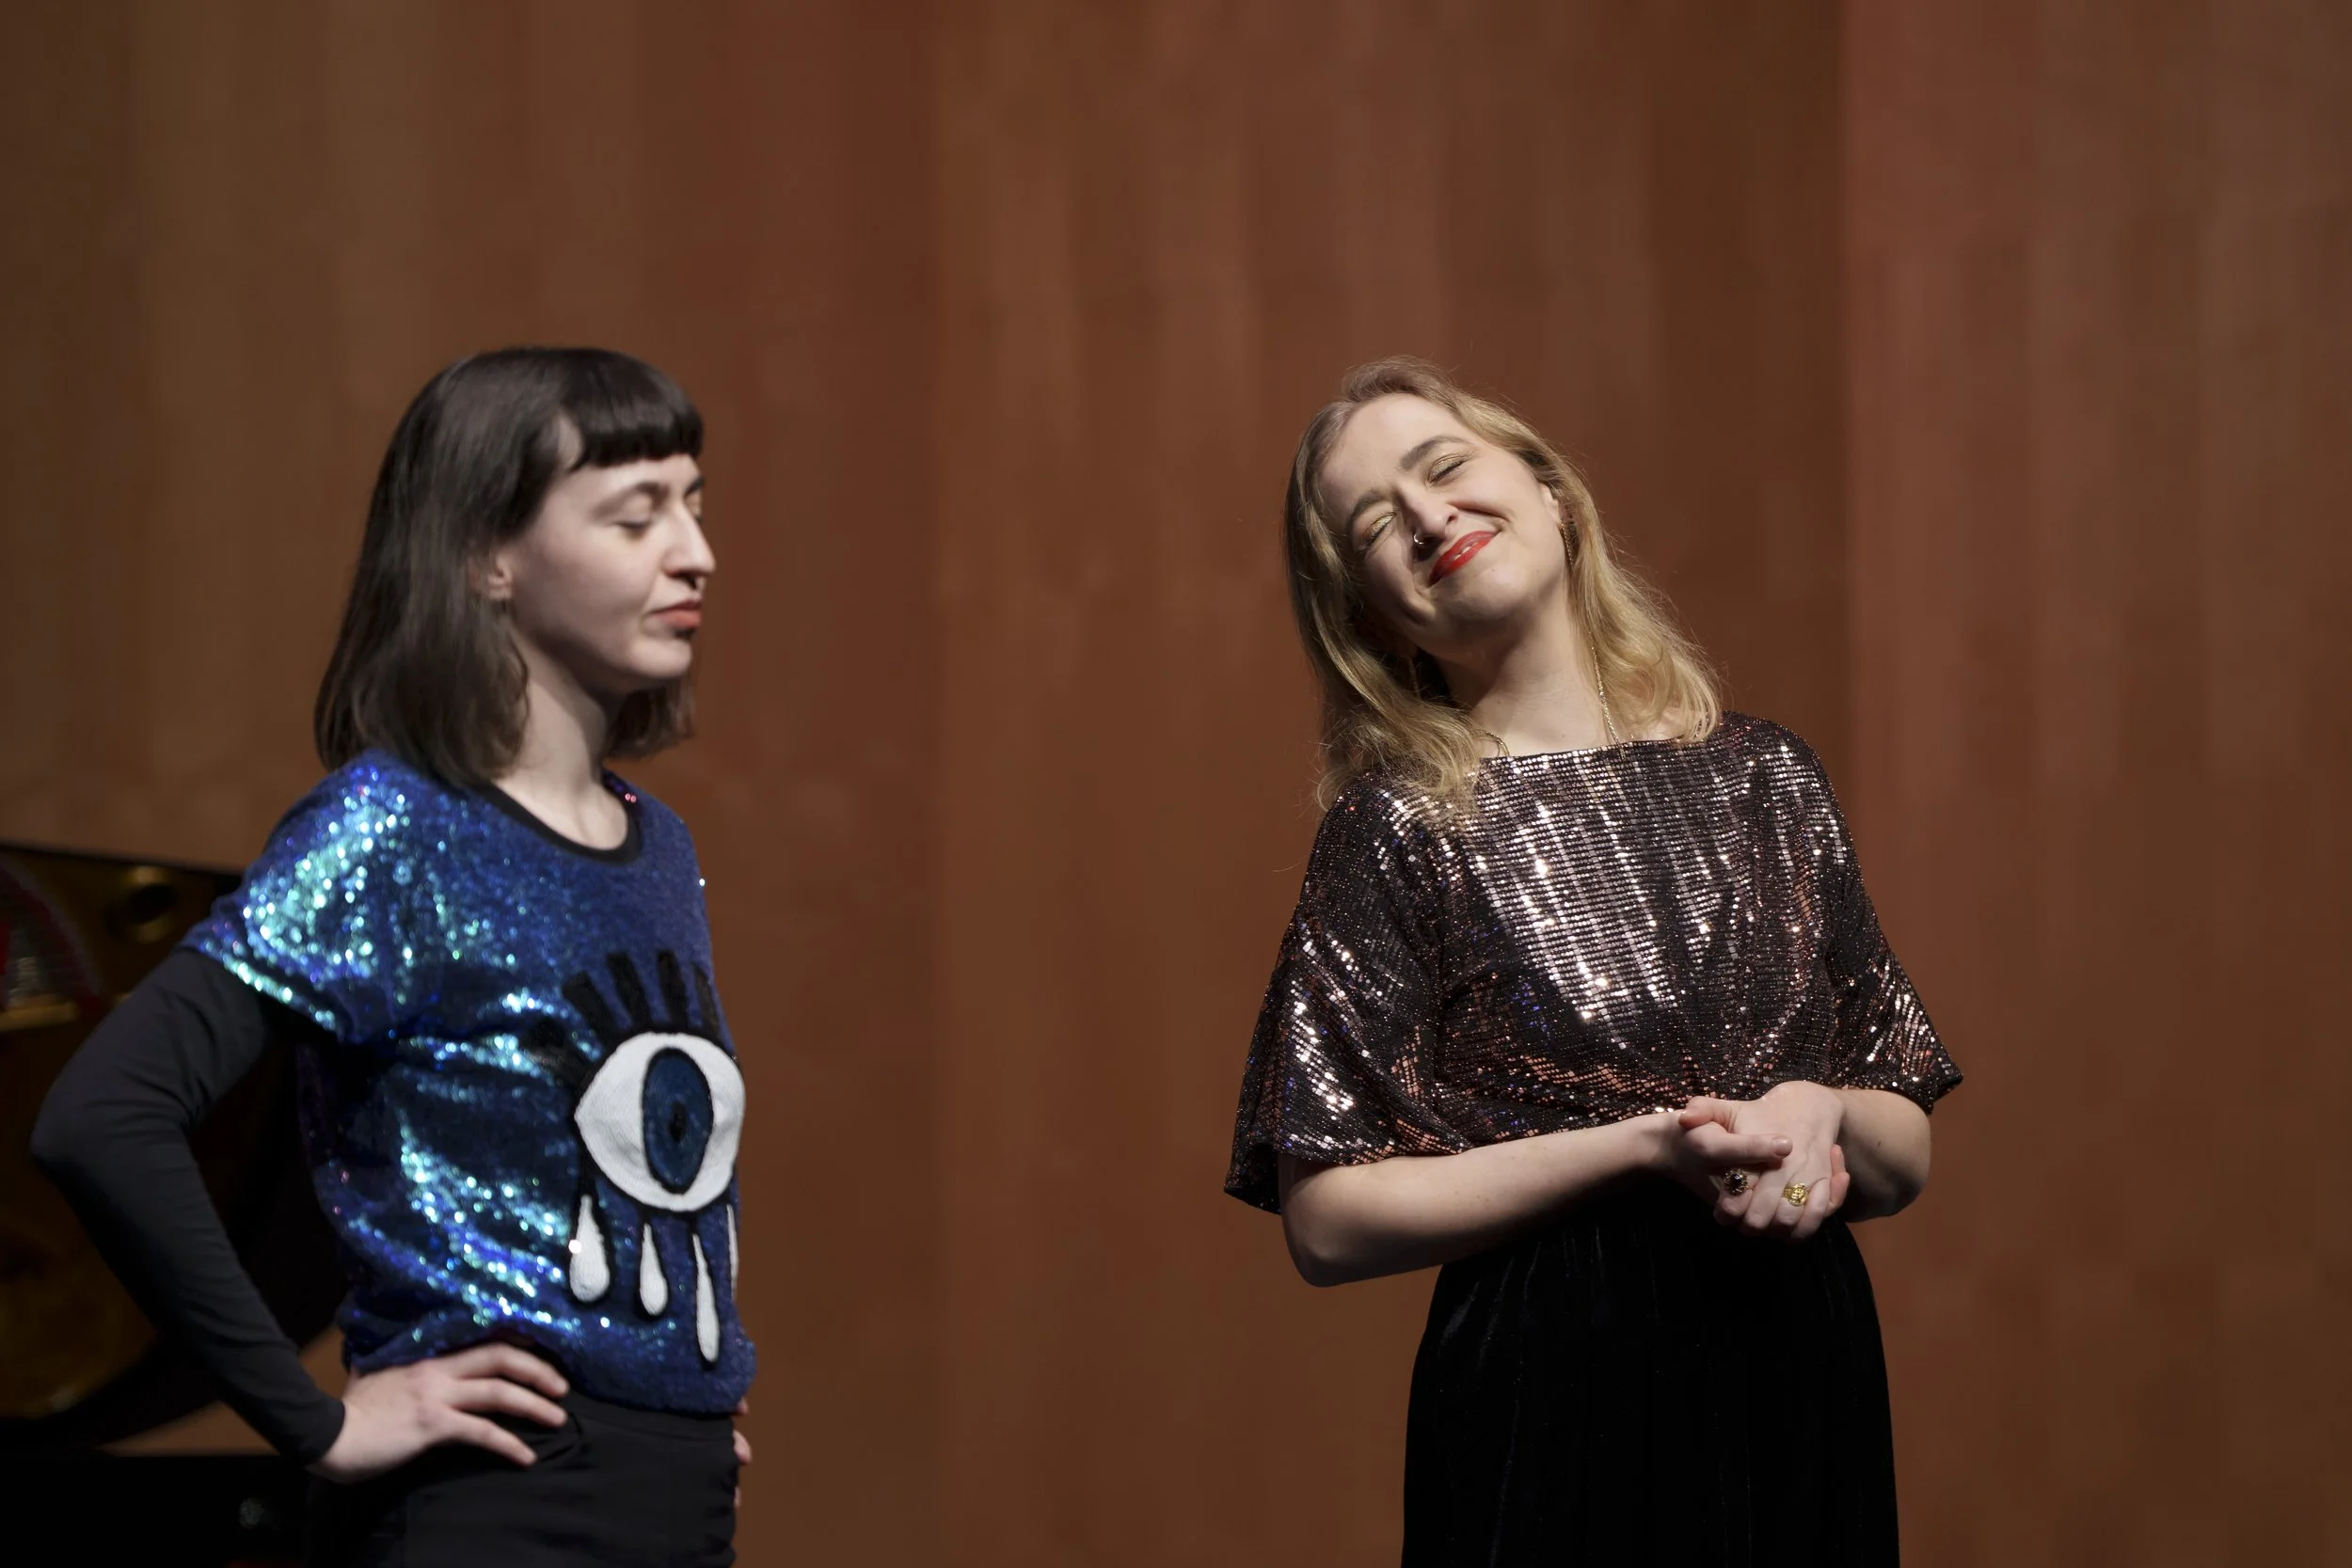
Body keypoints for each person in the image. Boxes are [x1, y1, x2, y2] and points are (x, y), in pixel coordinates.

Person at [1225, 358, 1961, 1565]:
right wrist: (1642, 1146)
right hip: (1556, 1385)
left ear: (1551, 493)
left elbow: (1904, 1146)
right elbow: (1327, 1216)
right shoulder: (1401, 826)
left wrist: (1820, 1105)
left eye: (1444, 466)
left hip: (1798, 1368)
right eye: (1374, 523)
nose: (1426, 516)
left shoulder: (1768, 777)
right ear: (1371, 614)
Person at [34, 347, 754, 1566]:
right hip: (499, 1503)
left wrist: (670, 1393)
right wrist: (306, 1412)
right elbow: (103, 1111)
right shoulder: (398, 831)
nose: (695, 552)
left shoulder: (657, 840)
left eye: (695, 503)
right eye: (637, 514)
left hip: (671, 1497)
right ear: (486, 555)